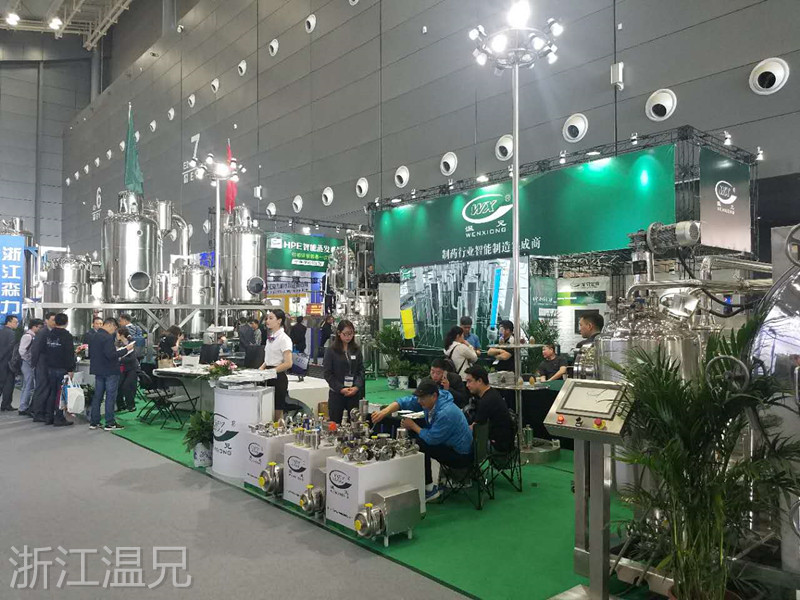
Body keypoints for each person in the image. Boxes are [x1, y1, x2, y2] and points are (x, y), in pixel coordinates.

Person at [372, 378, 473, 501]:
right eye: (419, 398)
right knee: (417, 429)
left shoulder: (446, 413)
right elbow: (405, 401)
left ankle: (429, 488)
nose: (419, 401)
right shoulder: (437, 398)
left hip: (461, 456)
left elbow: (431, 439)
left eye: (422, 398)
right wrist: (384, 412)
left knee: (420, 444)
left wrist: (413, 426)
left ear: (434, 396)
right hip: (452, 443)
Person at [89, 317, 134, 430]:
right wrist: (126, 349)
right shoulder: (107, 338)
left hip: (98, 370)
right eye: (114, 328)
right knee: (110, 397)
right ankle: (110, 422)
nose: (114, 331)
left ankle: (94, 422)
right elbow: (111, 355)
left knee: (98, 396)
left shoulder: (93, 336)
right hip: (110, 370)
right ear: (110, 325)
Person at [464, 365, 515, 453]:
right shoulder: (492, 393)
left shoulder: (486, 401)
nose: (467, 385)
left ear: (480, 381)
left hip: (498, 446)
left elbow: (475, 429)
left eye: (469, 381)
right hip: (505, 443)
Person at [323, 319, 365, 423]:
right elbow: (328, 374)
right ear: (339, 333)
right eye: (345, 334)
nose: (348, 337)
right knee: (335, 423)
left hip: (353, 394)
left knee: (355, 423)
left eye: (350, 334)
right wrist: (341, 388)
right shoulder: (331, 351)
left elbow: (361, 371)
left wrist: (356, 387)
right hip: (337, 394)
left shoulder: (356, 350)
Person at [41, 313, 75, 426]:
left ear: (55, 322)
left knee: (52, 392)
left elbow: (45, 350)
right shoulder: (67, 336)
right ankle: (59, 418)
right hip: (62, 368)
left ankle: (48, 417)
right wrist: (70, 369)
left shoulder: (49, 334)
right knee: (61, 394)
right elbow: (69, 354)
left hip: (50, 367)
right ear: (67, 322)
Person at [258, 309, 293, 420]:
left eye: (271, 318)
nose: (267, 321)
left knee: (277, 413)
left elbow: (288, 363)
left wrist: (271, 371)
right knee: (266, 411)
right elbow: (269, 359)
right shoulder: (270, 338)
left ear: (279, 321)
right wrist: (261, 368)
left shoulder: (284, 339)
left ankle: (279, 430)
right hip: (267, 376)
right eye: (267, 318)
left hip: (278, 378)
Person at [30, 312, 56, 422]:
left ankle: (41, 411)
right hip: (41, 364)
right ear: (46, 320)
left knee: (46, 388)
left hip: (48, 364)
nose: (54, 322)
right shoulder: (42, 332)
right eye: (52, 320)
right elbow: (35, 349)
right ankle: (38, 413)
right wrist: (34, 364)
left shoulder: (52, 332)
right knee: (41, 388)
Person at [17, 318, 43, 416]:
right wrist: (30, 361)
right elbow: (22, 351)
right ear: (34, 327)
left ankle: (23, 406)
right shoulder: (28, 336)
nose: (40, 329)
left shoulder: (32, 336)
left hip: (28, 363)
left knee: (27, 385)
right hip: (27, 363)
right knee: (28, 385)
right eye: (39, 327)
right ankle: (23, 407)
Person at [116, 326, 139, 412]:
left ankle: (131, 405)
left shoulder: (131, 343)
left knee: (127, 386)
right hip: (122, 368)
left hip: (132, 368)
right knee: (118, 386)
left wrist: (120, 359)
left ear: (121, 334)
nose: (116, 336)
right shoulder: (118, 343)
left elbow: (132, 358)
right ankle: (120, 405)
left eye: (117, 334)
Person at [0, 315, 19, 411]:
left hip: (2, 362)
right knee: (8, 384)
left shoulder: (1, 331)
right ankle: (6, 404)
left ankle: (6, 404)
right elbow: (10, 349)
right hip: (7, 362)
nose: (17, 324)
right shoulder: (11, 333)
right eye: (15, 322)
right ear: (9, 322)